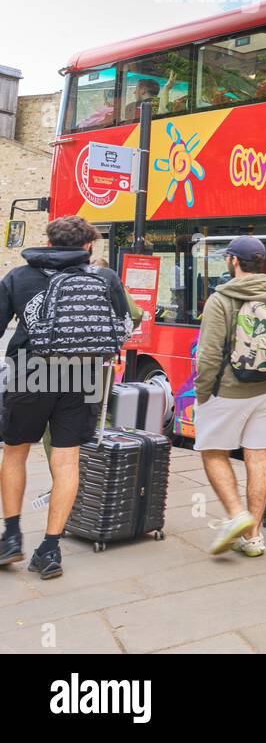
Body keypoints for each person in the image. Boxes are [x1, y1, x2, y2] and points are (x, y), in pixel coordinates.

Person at [0, 216, 133, 580]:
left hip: (30, 373)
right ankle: (50, 548)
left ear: (48, 241)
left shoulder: (18, 277)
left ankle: (11, 536)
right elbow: (124, 329)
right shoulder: (104, 278)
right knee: (67, 460)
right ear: (88, 246)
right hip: (83, 377)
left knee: (15, 451)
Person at [193, 236, 266, 557]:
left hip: (230, 390)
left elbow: (207, 357)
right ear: (262, 262)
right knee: (259, 457)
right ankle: (255, 537)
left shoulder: (221, 300)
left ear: (233, 261)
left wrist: (203, 393)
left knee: (213, 451)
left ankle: (236, 515)